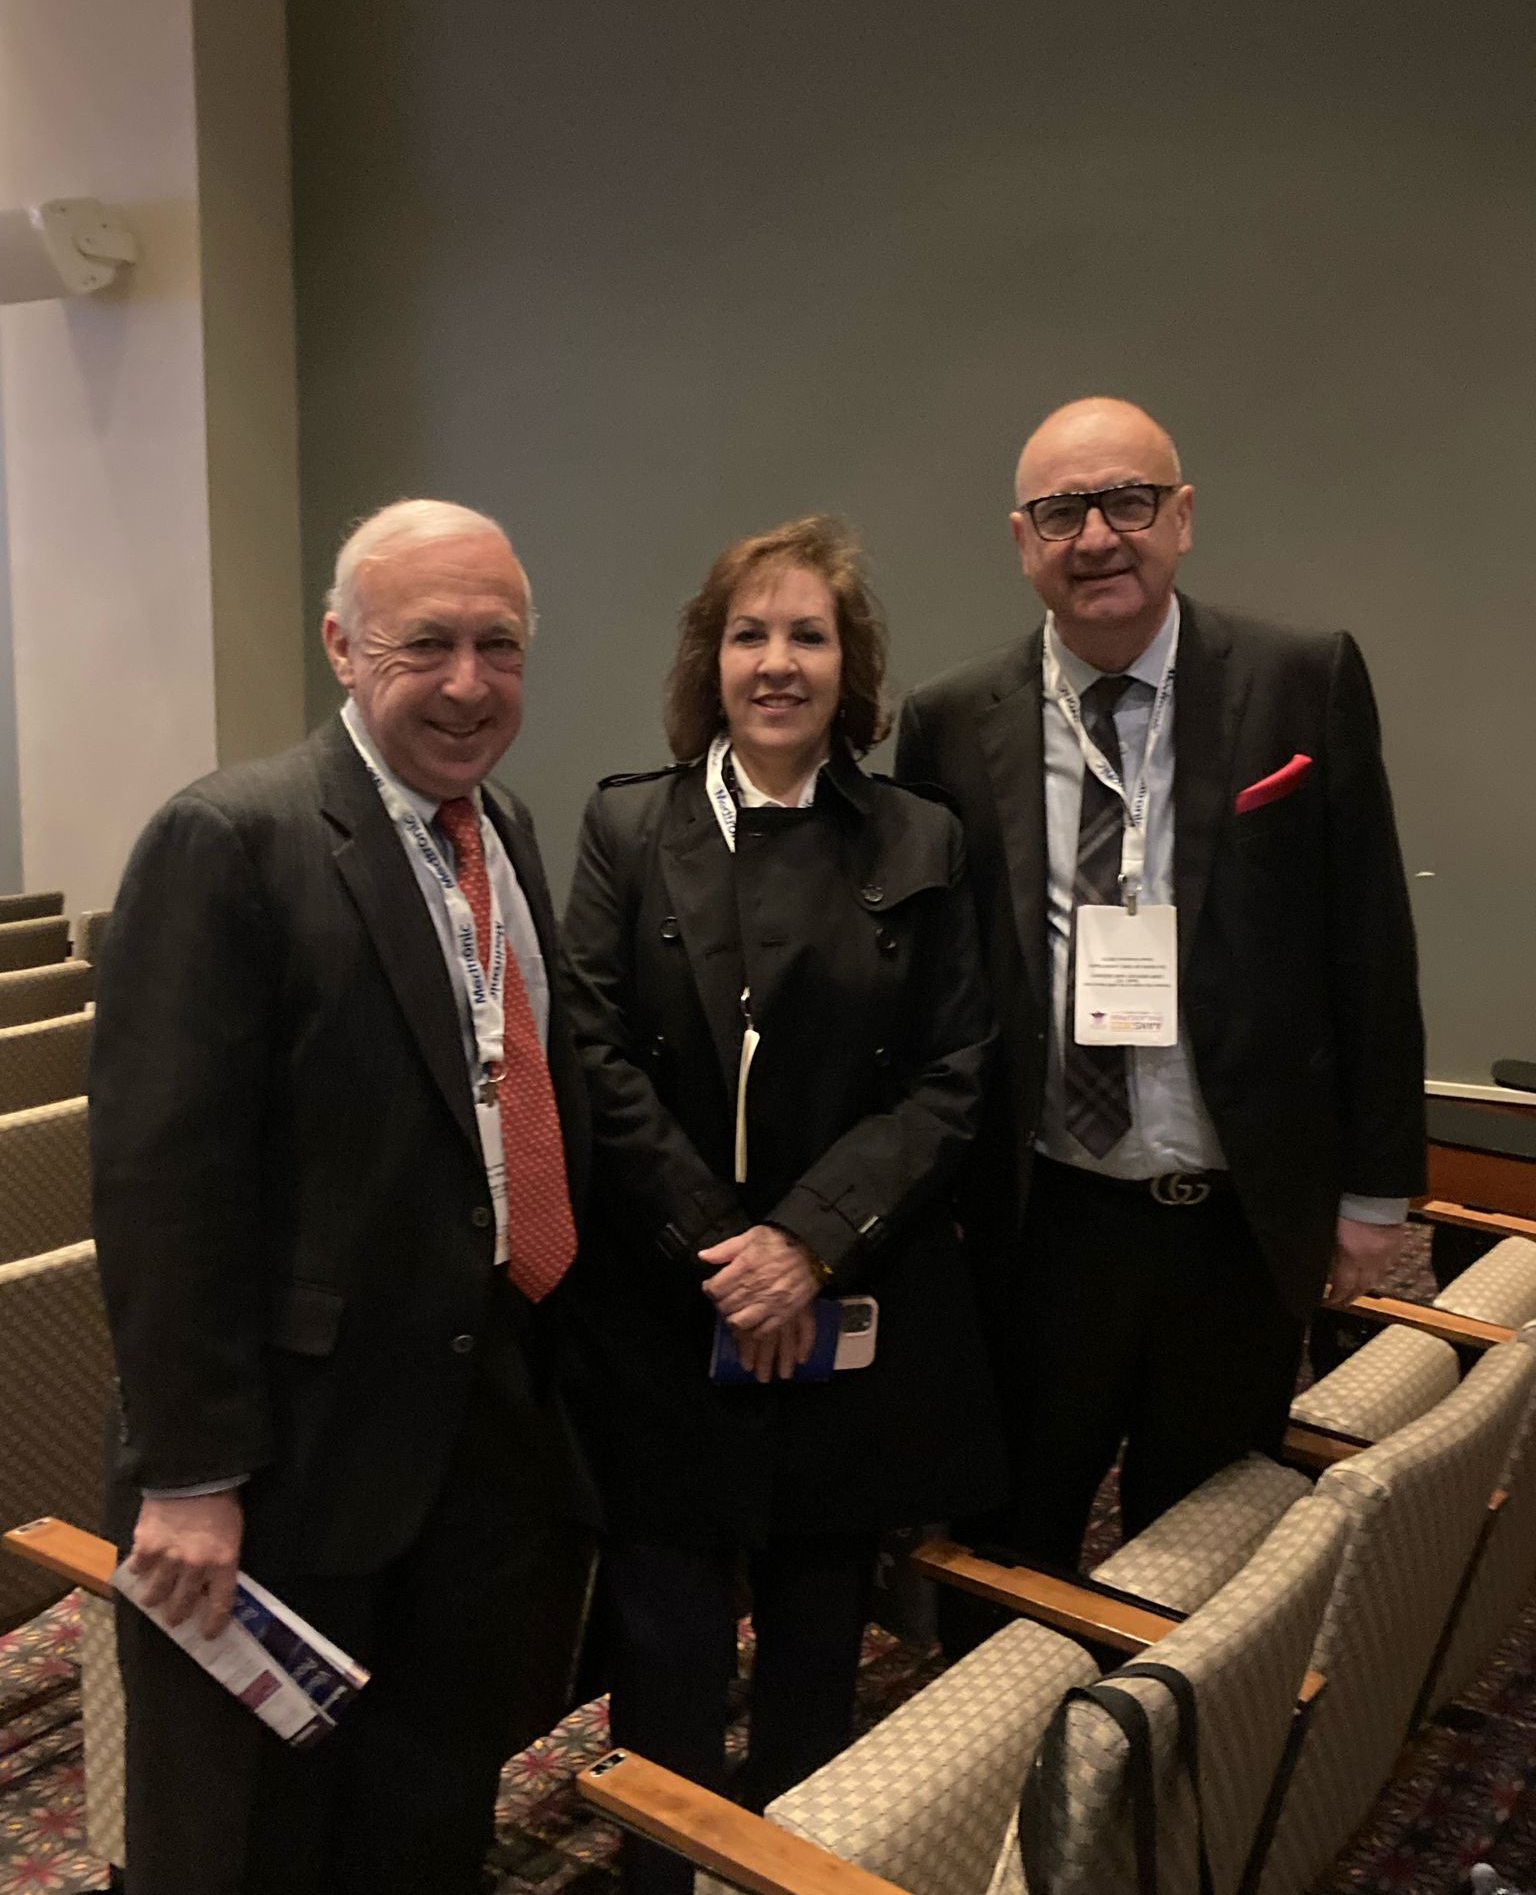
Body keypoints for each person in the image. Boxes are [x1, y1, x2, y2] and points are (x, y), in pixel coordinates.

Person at [91, 500, 592, 1895]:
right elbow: (160, 1188)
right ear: (339, 645)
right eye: (423, 642)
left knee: (424, 1815)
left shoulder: (505, 829)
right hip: (284, 1467)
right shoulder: (227, 839)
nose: (467, 683)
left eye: (500, 645)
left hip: (472, 1429)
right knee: (247, 1843)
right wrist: (191, 1475)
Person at [896, 397, 1426, 1571]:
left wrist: (1377, 1191)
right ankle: (1010, 1749)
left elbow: (1369, 941)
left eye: (1128, 501)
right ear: (1022, 540)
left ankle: (1161, 1754)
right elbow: (936, 980)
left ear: (1181, 516)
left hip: (1235, 1223)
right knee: (1009, 1535)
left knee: (1201, 1550)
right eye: (1062, 511)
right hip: (1044, 1220)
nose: (1098, 536)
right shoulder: (945, 722)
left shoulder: (1300, 678)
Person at [560, 515, 1002, 1894]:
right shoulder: (630, 823)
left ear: (849, 664)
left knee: (819, 1649)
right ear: (713, 658)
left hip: (848, 1301)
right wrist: (726, 1252)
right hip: (668, 1305)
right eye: (750, 633)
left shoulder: (919, 837)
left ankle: (793, 1870)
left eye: (809, 634)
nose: (778, 661)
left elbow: (953, 1073)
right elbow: (593, 1053)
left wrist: (805, 1244)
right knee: (669, 1654)